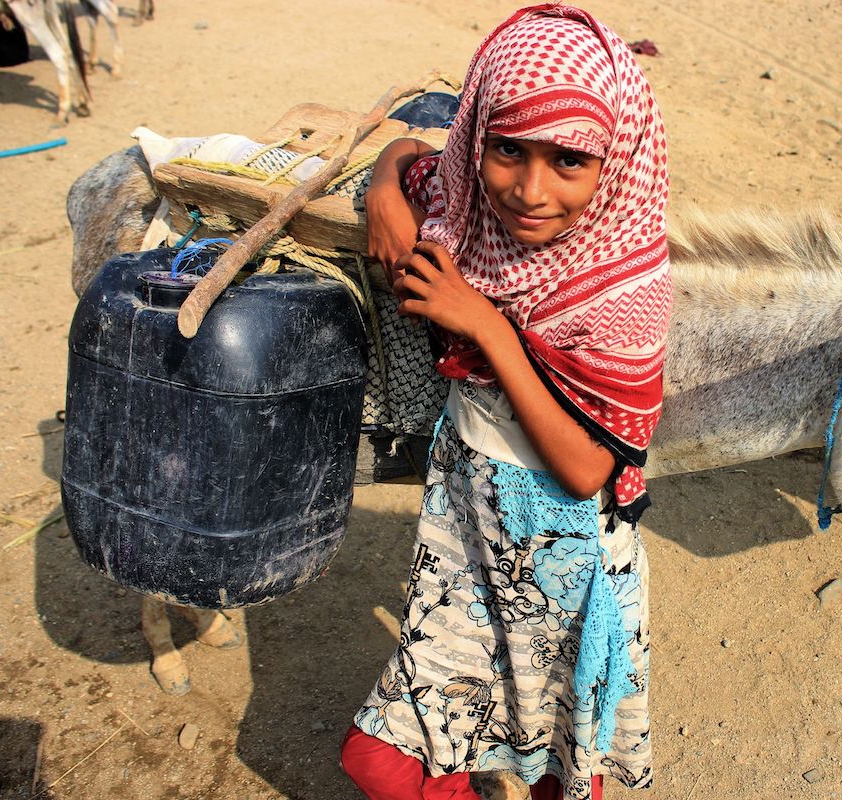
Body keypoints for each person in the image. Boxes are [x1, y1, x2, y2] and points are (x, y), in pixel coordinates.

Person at [340, 5, 670, 799]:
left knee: (558, 755)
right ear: (478, 137)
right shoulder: (463, 204)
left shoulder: (626, 291)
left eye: (569, 161)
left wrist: (486, 326)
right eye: (507, 150)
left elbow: (589, 467)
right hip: (463, 531)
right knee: (388, 757)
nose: (529, 190)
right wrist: (387, 183)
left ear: (615, 161)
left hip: (562, 553)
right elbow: (416, 154)